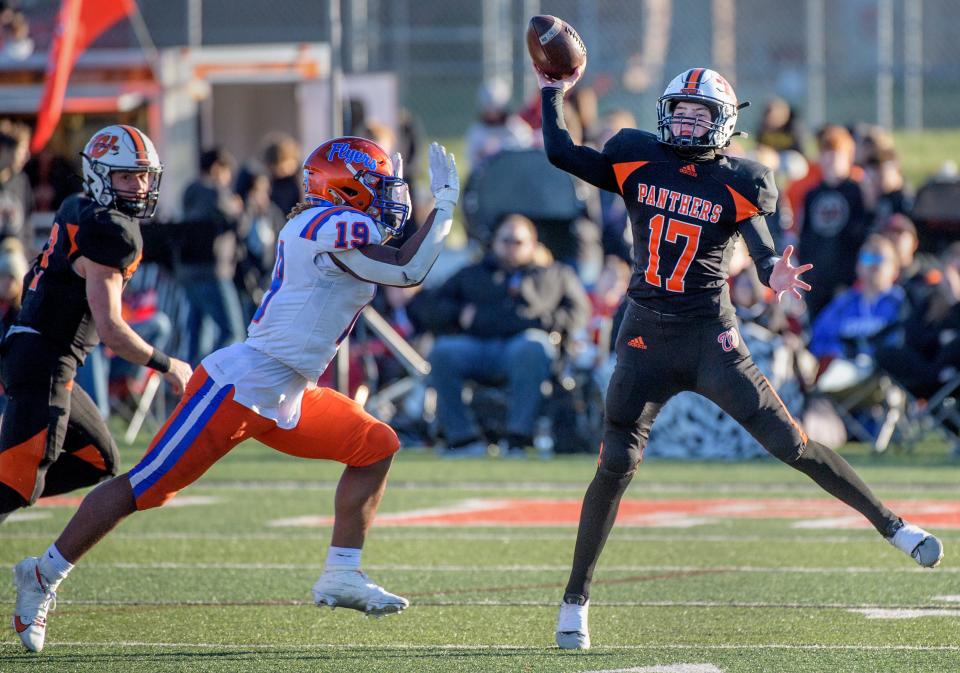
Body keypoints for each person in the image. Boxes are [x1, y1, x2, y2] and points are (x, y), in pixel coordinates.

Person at [536, 64, 944, 651]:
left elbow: (761, 249)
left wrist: (773, 270)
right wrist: (554, 90)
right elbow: (560, 152)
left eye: (700, 113)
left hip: (709, 338)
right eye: (680, 110)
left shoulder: (743, 179)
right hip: (645, 334)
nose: (687, 120)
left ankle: (893, 526)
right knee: (616, 461)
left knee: (791, 444)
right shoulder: (633, 155)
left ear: (724, 122)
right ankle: (575, 600)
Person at [11, 137, 459, 653]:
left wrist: (424, 210)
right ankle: (43, 574)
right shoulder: (321, 225)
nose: (389, 198)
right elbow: (409, 267)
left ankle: (342, 572)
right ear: (345, 188)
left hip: (292, 390)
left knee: (376, 445)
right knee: (145, 487)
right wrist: (443, 204)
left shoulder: (327, 225)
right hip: (241, 384)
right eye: (377, 186)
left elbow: (401, 255)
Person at [0, 125, 193, 527]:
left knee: (97, 459)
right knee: (17, 485)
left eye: (144, 175)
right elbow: (111, 331)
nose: (139, 185)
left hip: (41, 356)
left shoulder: (78, 206)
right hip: (44, 363)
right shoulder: (111, 231)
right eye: (126, 176)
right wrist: (168, 364)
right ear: (100, 176)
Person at [408, 213, 590, 458]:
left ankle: (518, 438)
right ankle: (462, 439)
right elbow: (427, 307)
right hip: (479, 346)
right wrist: (458, 314)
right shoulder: (473, 272)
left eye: (518, 242)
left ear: (533, 244)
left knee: (533, 346)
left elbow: (578, 312)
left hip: (522, 346)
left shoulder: (554, 274)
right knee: (443, 351)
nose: (511, 247)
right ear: (494, 242)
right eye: (506, 241)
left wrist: (543, 321)